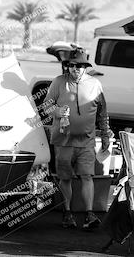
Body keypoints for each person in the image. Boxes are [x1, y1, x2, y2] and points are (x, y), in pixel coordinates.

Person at [43, 49, 111, 230]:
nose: (76, 69)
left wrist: (105, 135)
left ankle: (89, 214)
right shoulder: (59, 82)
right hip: (63, 142)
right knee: (65, 178)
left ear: (86, 67)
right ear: (68, 67)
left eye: (80, 66)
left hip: (87, 142)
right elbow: (46, 107)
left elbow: (103, 113)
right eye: (72, 66)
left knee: (87, 176)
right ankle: (67, 213)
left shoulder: (95, 84)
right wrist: (56, 112)